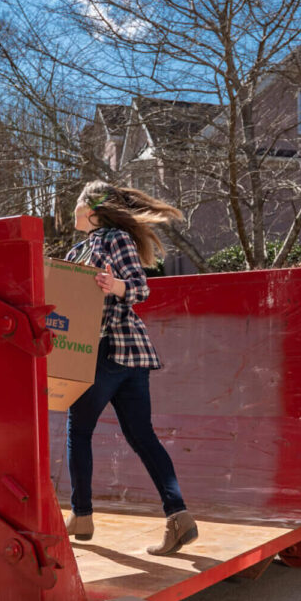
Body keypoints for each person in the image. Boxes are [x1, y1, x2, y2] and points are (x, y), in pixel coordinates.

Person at [61, 181, 197, 556]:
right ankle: (179, 517)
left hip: (106, 350)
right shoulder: (78, 249)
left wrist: (114, 285)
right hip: (129, 356)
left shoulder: (113, 239)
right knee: (141, 436)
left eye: (76, 203)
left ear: (91, 209)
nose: (71, 209)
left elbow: (139, 288)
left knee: (79, 430)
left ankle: (82, 515)